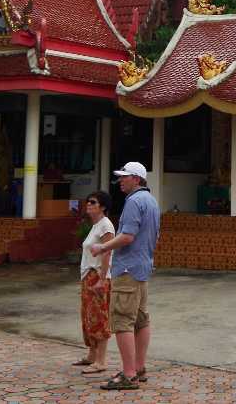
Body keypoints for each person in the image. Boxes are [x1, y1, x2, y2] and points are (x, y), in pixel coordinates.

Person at [90, 161, 160, 391]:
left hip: (127, 269)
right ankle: (139, 368)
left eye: (124, 177)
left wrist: (103, 247)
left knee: (122, 321)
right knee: (141, 320)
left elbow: (127, 236)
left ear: (136, 179)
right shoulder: (151, 201)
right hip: (143, 268)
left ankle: (129, 374)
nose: (120, 180)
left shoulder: (133, 201)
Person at [74, 191, 114, 375]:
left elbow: (107, 252)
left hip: (98, 276)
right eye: (87, 201)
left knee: (99, 317)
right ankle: (91, 355)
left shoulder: (106, 225)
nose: (88, 204)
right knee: (88, 317)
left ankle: (101, 360)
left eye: (93, 202)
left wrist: (102, 279)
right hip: (87, 276)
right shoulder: (95, 225)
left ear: (103, 206)